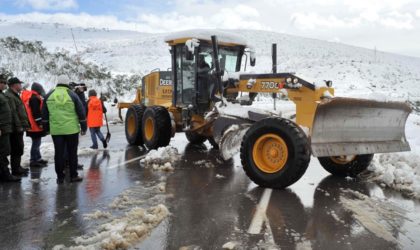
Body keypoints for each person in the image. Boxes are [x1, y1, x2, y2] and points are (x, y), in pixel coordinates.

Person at [42, 75, 87, 184]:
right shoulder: (73, 95)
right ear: (67, 84)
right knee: (72, 153)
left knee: (58, 153)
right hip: (71, 130)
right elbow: (81, 112)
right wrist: (84, 127)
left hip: (56, 130)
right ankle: (73, 176)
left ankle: (60, 177)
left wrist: (46, 128)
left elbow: (44, 114)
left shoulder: (49, 95)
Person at [5, 77, 30, 176]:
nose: (20, 85)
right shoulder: (10, 96)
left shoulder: (14, 95)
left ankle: (17, 167)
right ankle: (15, 169)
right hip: (15, 127)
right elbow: (13, 113)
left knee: (19, 148)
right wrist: (18, 126)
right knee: (16, 148)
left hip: (18, 126)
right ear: (14, 85)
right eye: (19, 84)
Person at [21, 82, 48, 168]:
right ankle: (33, 160)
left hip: (32, 124)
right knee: (36, 143)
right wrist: (39, 123)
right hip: (34, 125)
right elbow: (36, 112)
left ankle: (38, 158)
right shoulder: (34, 98)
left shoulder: (32, 97)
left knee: (37, 142)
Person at [0, 75, 21, 182]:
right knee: (3, 152)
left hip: (6, 128)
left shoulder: (2, 95)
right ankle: (5, 175)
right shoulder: (4, 96)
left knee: (5, 151)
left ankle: (4, 174)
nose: (4, 84)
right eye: (2, 82)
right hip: (2, 128)